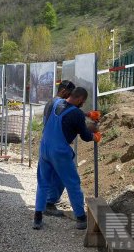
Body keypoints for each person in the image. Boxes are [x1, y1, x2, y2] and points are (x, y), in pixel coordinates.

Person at [33, 87, 101, 230]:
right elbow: (85, 135)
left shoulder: (56, 102)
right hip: (59, 152)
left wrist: (87, 114)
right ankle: (81, 218)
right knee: (72, 183)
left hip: (44, 148)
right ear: (80, 99)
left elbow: (68, 111)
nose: (83, 104)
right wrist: (95, 137)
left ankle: (37, 218)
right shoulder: (76, 114)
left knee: (43, 183)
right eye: (83, 102)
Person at [41, 79, 75, 217]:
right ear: (63, 91)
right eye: (70, 94)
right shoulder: (60, 104)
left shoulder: (51, 102)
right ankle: (49, 203)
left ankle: (50, 198)